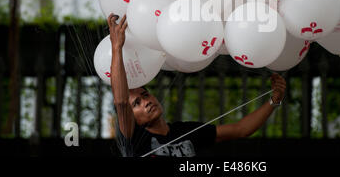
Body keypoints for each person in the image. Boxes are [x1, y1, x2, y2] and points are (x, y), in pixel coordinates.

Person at [108, 13, 286, 157]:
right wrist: (117, 48)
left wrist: (274, 101)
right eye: (136, 104)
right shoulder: (134, 139)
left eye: (145, 95)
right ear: (130, 118)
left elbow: (241, 130)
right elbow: (121, 102)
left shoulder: (185, 131)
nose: (146, 102)